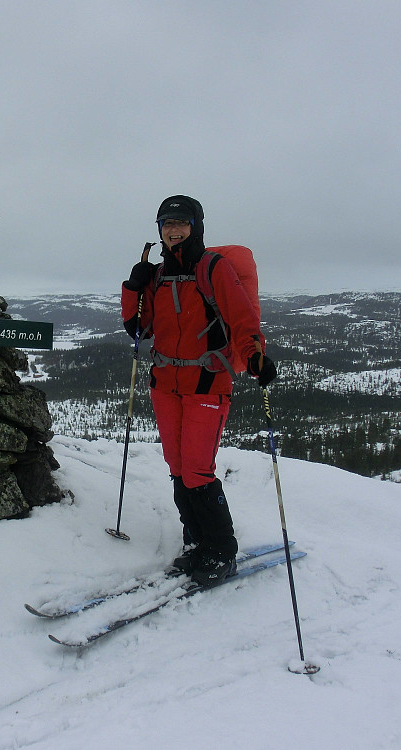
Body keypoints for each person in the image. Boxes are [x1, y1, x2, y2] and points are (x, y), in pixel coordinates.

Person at [121, 195, 278, 587]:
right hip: (165, 385)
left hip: (207, 383)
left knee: (196, 470)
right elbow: (139, 330)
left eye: (181, 223)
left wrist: (255, 354)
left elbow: (242, 319)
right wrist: (133, 286)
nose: (173, 230)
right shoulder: (157, 276)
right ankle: (196, 545)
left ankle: (221, 551)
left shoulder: (214, 268)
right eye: (166, 224)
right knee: (178, 469)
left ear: (196, 226)